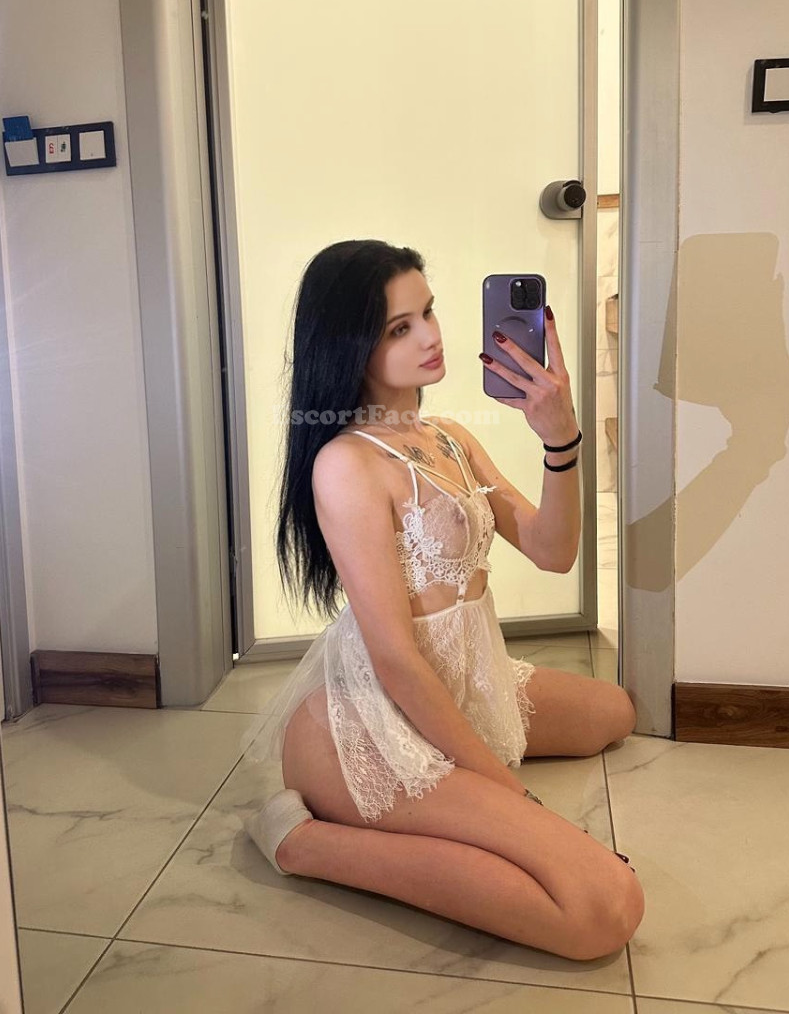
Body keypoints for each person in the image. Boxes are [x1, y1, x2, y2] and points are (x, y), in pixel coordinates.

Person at [238, 239, 643, 960]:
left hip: (464, 686)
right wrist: (508, 795)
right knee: (604, 911)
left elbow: (553, 551)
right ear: (351, 347)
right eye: (400, 328)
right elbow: (395, 659)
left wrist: (561, 440)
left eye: (427, 312)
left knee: (614, 712)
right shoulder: (346, 463)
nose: (430, 336)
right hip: (379, 720)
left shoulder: (450, 438)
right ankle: (302, 842)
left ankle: (461, 789)